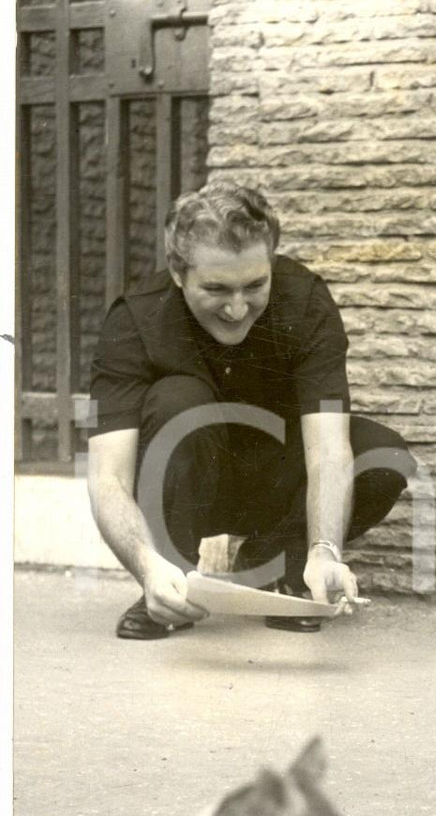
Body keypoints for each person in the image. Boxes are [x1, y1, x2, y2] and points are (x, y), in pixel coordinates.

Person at [86, 180, 415, 639]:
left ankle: (281, 567)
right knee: (177, 399)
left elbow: (328, 450)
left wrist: (325, 550)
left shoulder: (305, 302)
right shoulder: (134, 319)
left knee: (384, 455)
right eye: (217, 288)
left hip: (273, 482)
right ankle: (171, 584)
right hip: (188, 483)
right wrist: (147, 565)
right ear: (178, 272)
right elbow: (108, 477)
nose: (238, 309)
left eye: (255, 285)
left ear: (273, 262)